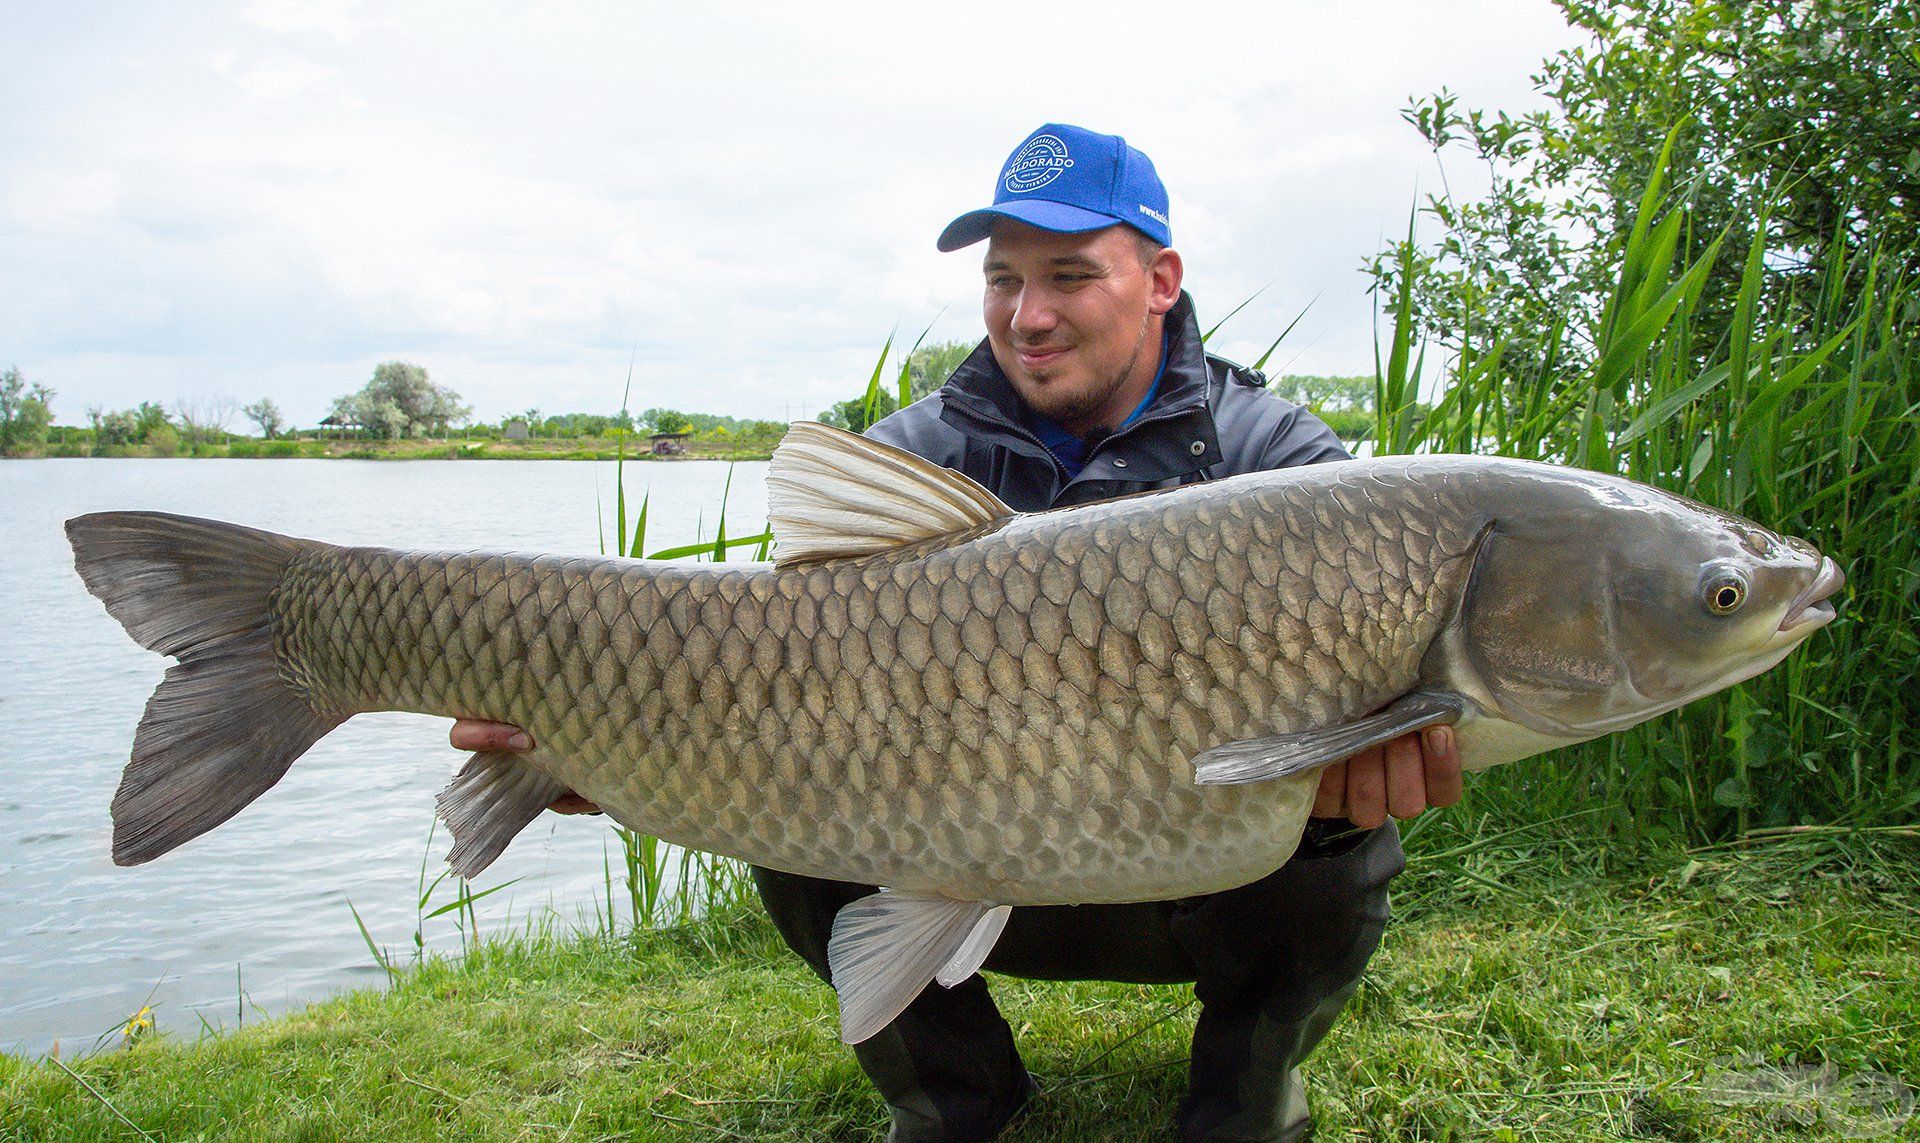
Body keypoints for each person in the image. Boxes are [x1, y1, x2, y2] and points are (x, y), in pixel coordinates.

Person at [452, 123, 1461, 1142]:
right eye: (1003, 280)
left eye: (1069, 276)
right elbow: (764, 679)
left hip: (1195, 873)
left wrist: (1347, 795)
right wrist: (600, 743)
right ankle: (957, 1101)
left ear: (1160, 280)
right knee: (791, 836)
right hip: (963, 857)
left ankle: (1244, 1100)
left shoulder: (1283, 461)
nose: (1028, 315)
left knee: (1341, 849)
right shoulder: (915, 455)